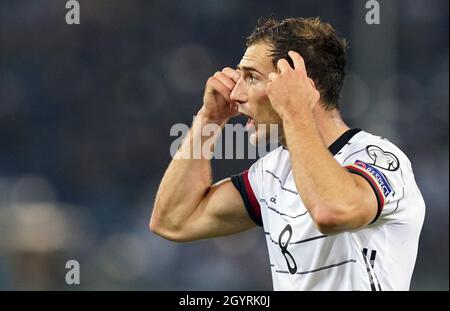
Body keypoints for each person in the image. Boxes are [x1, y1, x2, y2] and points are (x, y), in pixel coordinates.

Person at [149, 17, 425, 291]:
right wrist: (208, 120)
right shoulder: (270, 173)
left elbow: (333, 211)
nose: (234, 94)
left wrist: (295, 110)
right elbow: (173, 221)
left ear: (303, 85)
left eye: (252, 77)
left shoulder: (381, 159)